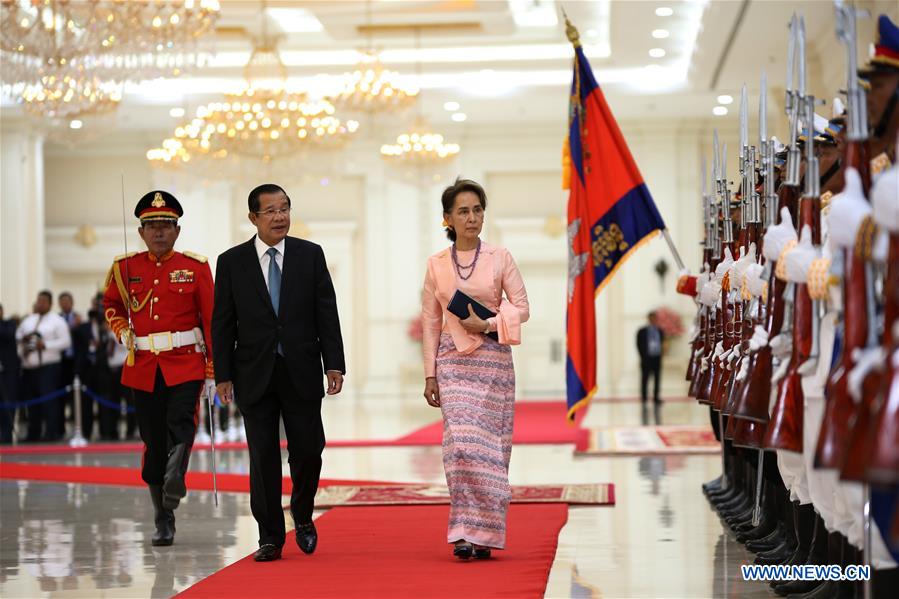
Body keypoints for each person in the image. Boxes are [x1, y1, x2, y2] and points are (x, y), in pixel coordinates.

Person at [212, 183, 345, 563]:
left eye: (284, 208)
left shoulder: (309, 255)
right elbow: (222, 323)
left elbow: (326, 313)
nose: (280, 216)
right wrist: (223, 374)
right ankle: (270, 535)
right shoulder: (232, 262)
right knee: (263, 457)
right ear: (253, 218)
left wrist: (333, 362)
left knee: (309, 449)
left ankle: (302, 513)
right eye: (270, 210)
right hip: (253, 373)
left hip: (301, 369)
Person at [421, 178, 529, 560]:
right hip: (452, 362)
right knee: (461, 447)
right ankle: (463, 530)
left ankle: (484, 535)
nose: (472, 218)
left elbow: (522, 306)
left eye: (477, 210)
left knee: (491, 449)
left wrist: (488, 325)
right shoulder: (436, 265)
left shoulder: (499, 257)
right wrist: (430, 374)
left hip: (493, 361)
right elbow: (431, 321)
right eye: (463, 211)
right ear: (447, 218)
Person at [102, 190, 215, 547]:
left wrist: (214, 366)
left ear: (177, 230)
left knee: (181, 421)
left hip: (185, 362)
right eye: (152, 226)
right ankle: (163, 516)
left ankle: (175, 477)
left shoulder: (195, 267)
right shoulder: (124, 268)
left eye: (166, 225)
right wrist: (121, 331)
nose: (159, 232)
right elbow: (112, 305)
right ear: (141, 232)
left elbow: (212, 320)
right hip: (143, 365)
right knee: (152, 440)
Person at [15, 291, 72, 442]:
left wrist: (45, 345)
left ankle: (51, 433)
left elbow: (66, 342)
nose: (40, 303)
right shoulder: (28, 320)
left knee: (49, 402)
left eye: (43, 301)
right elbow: (18, 337)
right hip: (29, 368)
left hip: (49, 368)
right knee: (31, 403)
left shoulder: (57, 321)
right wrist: (24, 345)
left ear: (50, 303)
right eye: (38, 300)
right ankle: (33, 433)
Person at [636, 310, 664, 423]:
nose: (653, 320)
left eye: (655, 318)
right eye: (652, 318)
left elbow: (662, 343)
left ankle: (656, 397)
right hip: (646, 359)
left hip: (656, 358)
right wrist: (643, 356)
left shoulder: (660, 331)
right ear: (648, 318)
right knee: (645, 378)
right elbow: (638, 344)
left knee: (657, 378)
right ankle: (644, 397)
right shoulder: (642, 331)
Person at [0, 304, 21, 444]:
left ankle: (7, 436)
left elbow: (8, 335)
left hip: (8, 372)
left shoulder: (9, 324)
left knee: (8, 403)